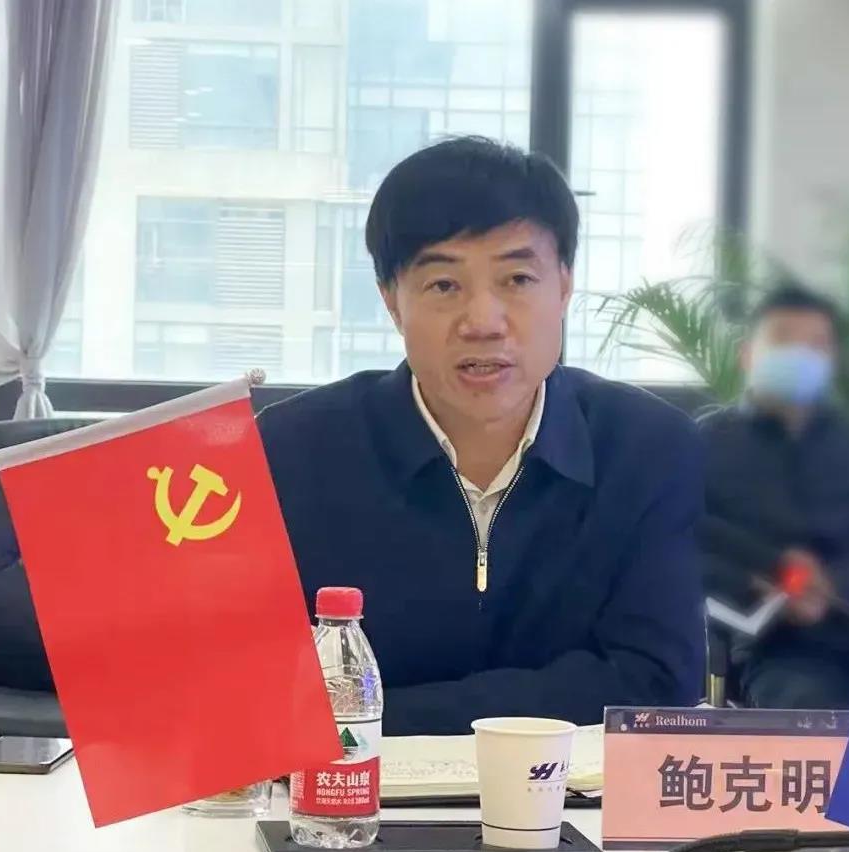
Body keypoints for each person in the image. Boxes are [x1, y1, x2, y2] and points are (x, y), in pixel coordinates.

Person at [257, 136, 704, 735]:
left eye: (517, 278)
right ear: (392, 301)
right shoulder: (292, 451)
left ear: (563, 287)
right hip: (354, 787)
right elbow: (259, 687)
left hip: (575, 793)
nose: (484, 322)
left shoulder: (649, 448)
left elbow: (657, 681)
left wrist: (375, 712)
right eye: (444, 286)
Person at [699, 284, 849, 710]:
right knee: (813, 712)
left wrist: (837, 581)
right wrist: (756, 581)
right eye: (784, 341)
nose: (800, 355)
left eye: (815, 345)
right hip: (777, 647)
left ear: (832, 361)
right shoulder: (706, 445)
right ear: (747, 355)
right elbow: (680, 546)